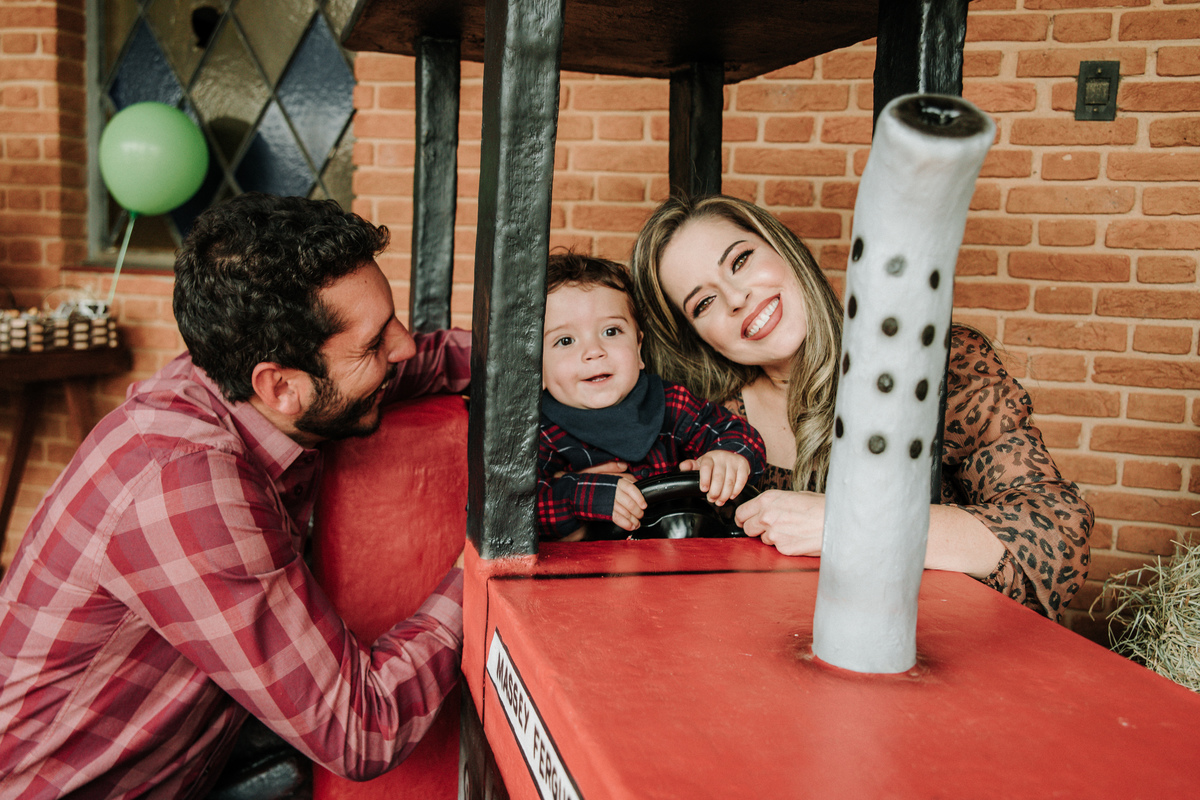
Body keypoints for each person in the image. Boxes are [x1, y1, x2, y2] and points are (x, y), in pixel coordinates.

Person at [0, 194, 471, 798]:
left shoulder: (242, 377)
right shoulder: (185, 483)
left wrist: (548, 350)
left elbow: (418, 362)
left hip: (196, 757)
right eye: (374, 343)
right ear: (279, 385)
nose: (402, 347)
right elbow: (362, 730)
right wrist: (482, 559)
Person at [629, 194, 1092, 620]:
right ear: (694, 335)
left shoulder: (933, 368)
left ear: (784, 249)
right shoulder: (708, 421)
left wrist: (849, 527)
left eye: (741, 260)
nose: (735, 298)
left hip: (928, 658)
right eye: (704, 301)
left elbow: (1056, 532)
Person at [537, 252, 766, 541]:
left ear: (638, 347)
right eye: (565, 340)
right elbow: (510, 506)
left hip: (683, 558)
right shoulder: (540, 431)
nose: (593, 351)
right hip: (589, 576)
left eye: (611, 331)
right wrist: (577, 495)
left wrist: (729, 457)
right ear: (538, 367)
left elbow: (735, 431)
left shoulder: (670, 403)